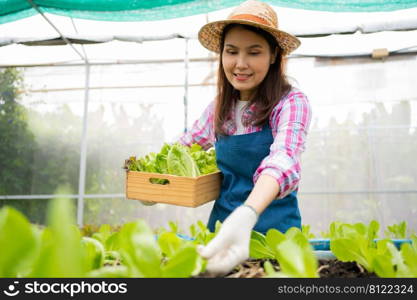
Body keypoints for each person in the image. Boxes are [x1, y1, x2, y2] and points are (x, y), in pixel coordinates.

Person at [145, 0, 312, 276]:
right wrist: (154, 183)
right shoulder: (219, 108)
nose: (240, 64)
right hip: (223, 239)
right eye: (231, 51)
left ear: (273, 56)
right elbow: (184, 148)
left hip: (277, 243)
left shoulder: (291, 103)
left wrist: (247, 215)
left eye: (254, 52)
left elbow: (284, 160)